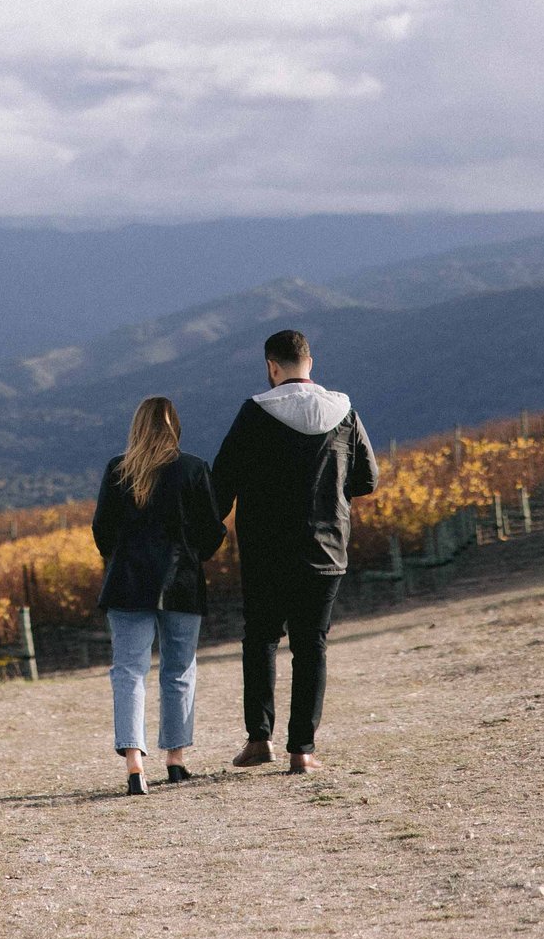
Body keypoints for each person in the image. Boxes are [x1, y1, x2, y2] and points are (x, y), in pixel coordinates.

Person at [212, 329, 377, 775]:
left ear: (271, 367)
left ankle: (258, 739)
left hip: (266, 550)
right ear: (311, 362)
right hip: (326, 547)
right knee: (311, 645)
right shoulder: (344, 411)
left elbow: (222, 481)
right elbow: (367, 480)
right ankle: (302, 749)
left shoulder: (255, 411)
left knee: (261, 638)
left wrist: (204, 535)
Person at [92, 395, 227, 795]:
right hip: (181, 582)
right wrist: (191, 556)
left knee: (129, 672)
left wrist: (122, 558)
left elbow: (102, 530)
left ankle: (135, 764)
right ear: (175, 427)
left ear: (136, 427)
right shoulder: (193, 469)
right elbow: (213, 530)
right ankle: (175, 760)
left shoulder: (118, 470)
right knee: (178, 671)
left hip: (128, 583)